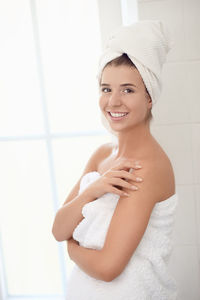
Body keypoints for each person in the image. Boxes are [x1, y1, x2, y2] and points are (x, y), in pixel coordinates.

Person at [52, 20, 179, 299]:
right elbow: (59, 228)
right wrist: (95, 189)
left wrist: (72, 247)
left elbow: (109, 267)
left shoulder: (147, 167)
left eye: (128, 90)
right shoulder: (101, 155)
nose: (113, 101)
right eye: (106, 89)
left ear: (149, 97)